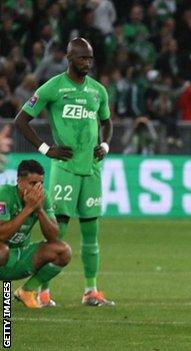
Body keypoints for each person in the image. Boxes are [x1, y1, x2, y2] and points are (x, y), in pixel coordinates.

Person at [14, 37, 114, 307]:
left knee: (92, 232)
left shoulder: (98, 91)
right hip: (65, 170)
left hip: (91, 171)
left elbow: (107, 122)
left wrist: (104, 144)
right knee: (56, 233)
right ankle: (42, 292)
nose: (88, 63)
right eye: (83, 58)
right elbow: (21, 120)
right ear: (70, 58)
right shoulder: (54, 87)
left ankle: (91, 291)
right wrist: (46, 149)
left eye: (90, 58)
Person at [1, 160, 71, 308]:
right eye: (33, 183)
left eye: (41, 184)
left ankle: (27, 291)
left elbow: (54, 236)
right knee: (2, 250)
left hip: (22, 255)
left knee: (63, 251)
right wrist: (28, 209)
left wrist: (39, 210)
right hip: (3, 255)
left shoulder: (42, 197)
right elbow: (1, 235)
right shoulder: (4, 195)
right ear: (19, 180)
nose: (37, 188)